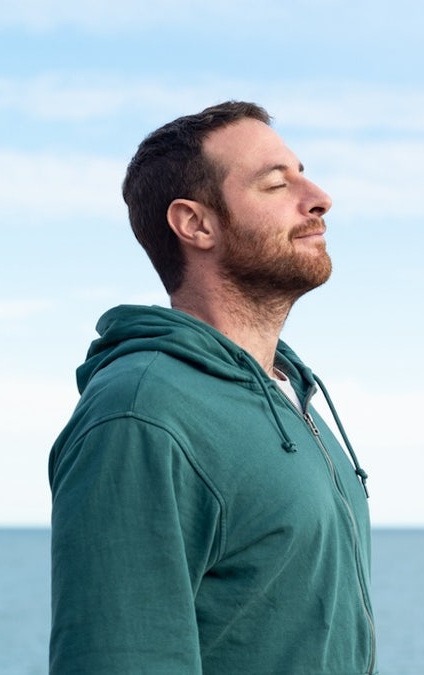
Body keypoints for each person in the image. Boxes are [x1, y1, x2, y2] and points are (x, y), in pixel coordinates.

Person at [48, 101, 376, 674]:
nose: (318, 196)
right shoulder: (141, 414)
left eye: (303, 173)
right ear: (196, 224)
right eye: (277, 184)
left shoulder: (292, 401)